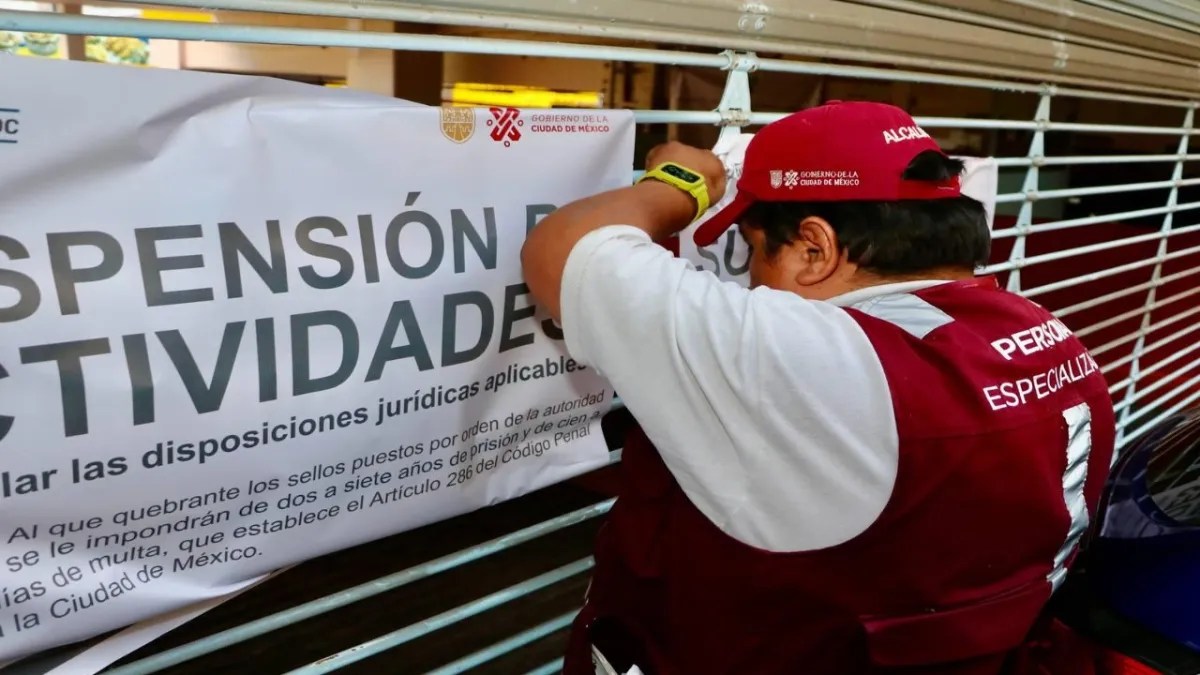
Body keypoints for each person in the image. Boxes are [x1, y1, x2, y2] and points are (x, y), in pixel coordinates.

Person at [520, 101, 1116, 675]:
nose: (749, 278)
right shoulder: (1052, 340)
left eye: (753, 251)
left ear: (814, 248)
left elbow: (562, 251)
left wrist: (679, 182)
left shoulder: (816, 361)